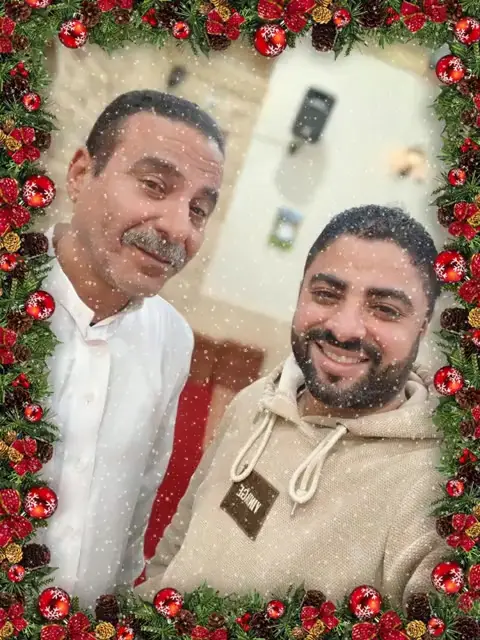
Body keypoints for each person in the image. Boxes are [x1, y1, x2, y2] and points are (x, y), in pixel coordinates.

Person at [136, 205, 447, 607]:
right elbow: (174, 554)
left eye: (385, 309)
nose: (344, 328)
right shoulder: (256, 401)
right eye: (326, 295)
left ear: (423, 324)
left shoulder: (436, 495)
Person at [39, 90, 225, 604]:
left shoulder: (171, 338)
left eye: (198, 210)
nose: (177, 228)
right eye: (154, 186)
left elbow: (137, 498)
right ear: (82, 174)